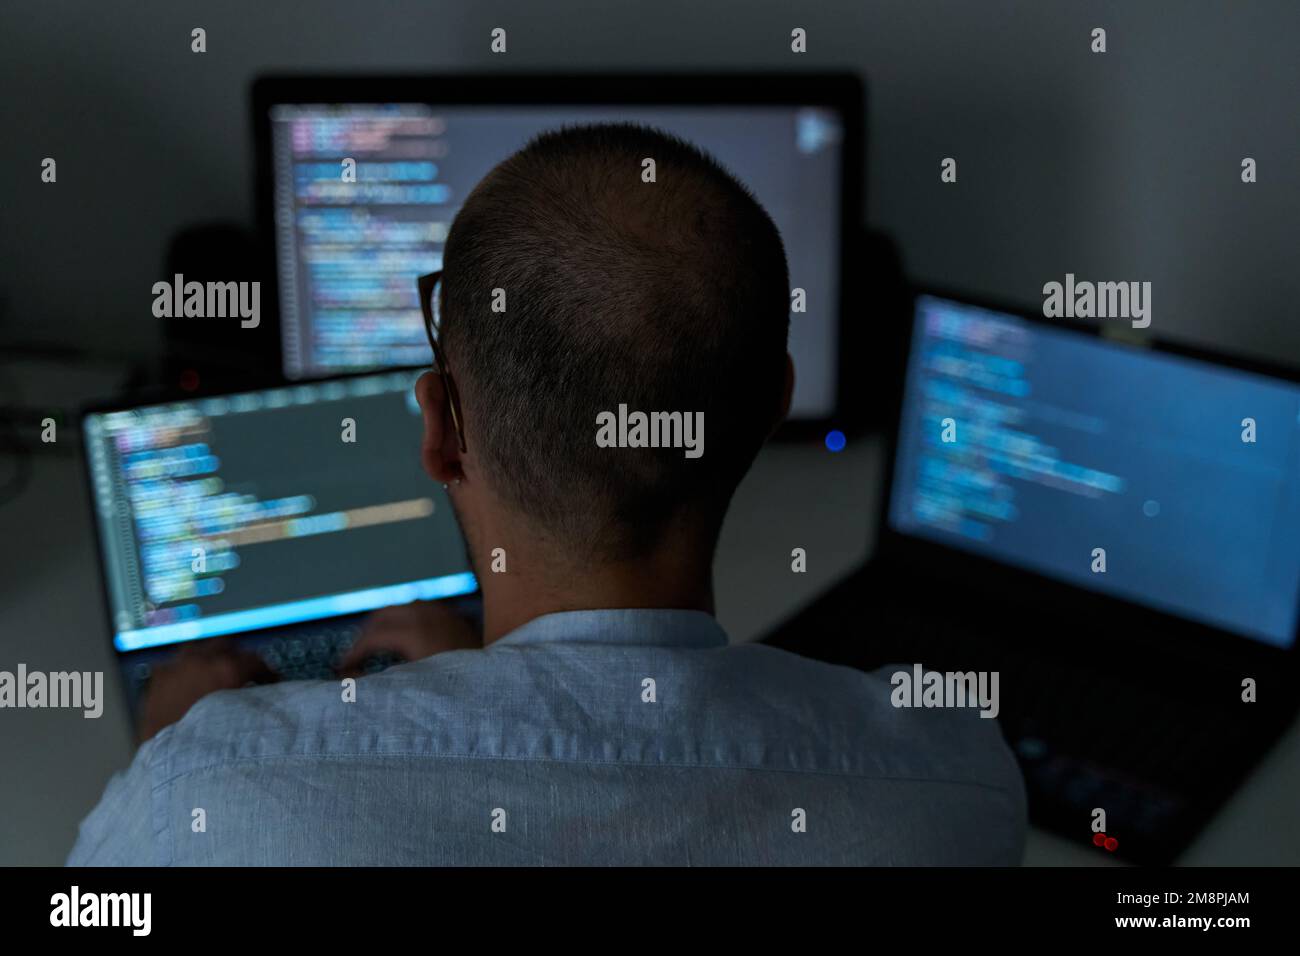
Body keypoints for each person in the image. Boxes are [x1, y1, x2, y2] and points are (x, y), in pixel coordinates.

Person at [69, 124, 1025, 865]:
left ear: (440, 433)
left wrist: (168, 743)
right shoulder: (956, 785)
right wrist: (474, 674)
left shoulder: (208, 792)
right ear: (766, 417)